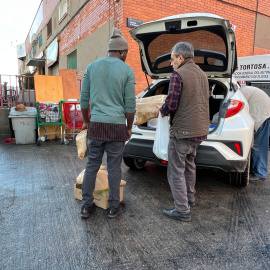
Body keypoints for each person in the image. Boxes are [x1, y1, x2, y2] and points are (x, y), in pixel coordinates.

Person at [80, 28, 136, 219]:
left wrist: (87, 122)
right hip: (117, 126)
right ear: (120, 51)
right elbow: (130, 105)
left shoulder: (91, 67)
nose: (126, 56)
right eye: (126, 53)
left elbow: (84, 99)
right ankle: (114, 206)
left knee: (92, 166)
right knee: (114, 167)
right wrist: (129, 126)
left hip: (96, 124)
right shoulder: (127, 71)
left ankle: (86, 206)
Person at [156, 42, 209, 222]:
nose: (171, 63)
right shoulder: (202, 74)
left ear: (180, 57)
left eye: (172, 60)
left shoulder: (178, 75)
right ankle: (189, 199)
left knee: (176, 170)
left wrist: (160, 111)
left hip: (183, 132)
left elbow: (171, 104)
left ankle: (181, 210)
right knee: (190, 165)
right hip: (199, 132)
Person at [239, 85, 270, 182]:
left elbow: (236, 108)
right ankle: (255, 170)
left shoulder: (241, 93)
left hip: (262, 117)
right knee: (256, 146)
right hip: (263, 114)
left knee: (259, 147)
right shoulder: (244, 90)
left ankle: (260, 174)